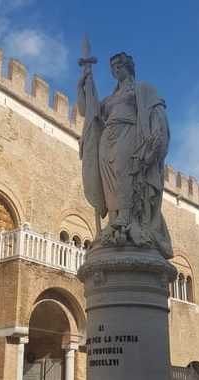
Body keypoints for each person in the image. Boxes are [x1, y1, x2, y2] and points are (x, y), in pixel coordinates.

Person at [77, 51, 173, 259]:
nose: (114, 71)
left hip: (129, 133)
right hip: (107, 140)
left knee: (124, 172)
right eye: (112, 68)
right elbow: (88, 110)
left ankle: (128, 218)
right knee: (109, 182)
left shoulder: (142, 88)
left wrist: (155, 135)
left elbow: (156, 111)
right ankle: (114, 222)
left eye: (118, 66)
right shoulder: (111, 97)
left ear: (128, 67)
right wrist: (84, 85)